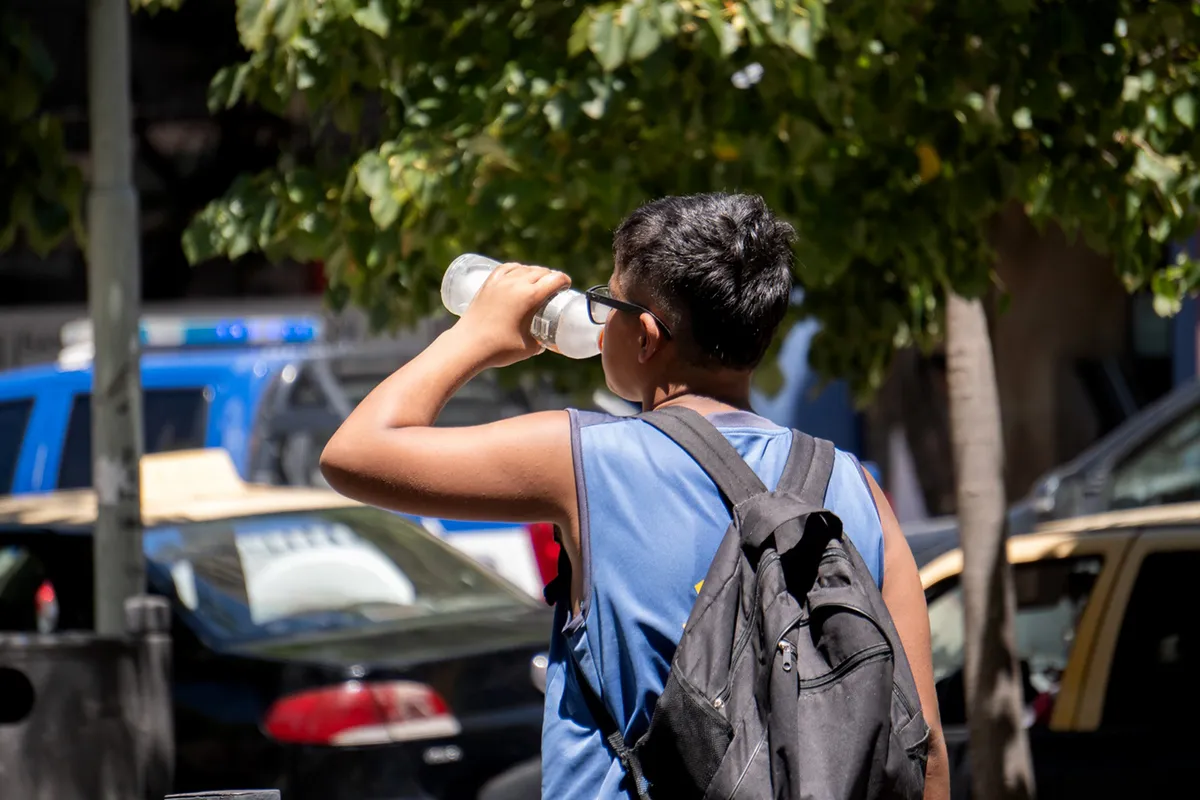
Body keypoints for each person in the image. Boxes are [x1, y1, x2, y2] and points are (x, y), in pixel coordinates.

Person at [320, 192, 950, 799]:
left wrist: (478, 334)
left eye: (609, 303)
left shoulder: (583, 460)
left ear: (645, 336)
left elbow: (355, 454)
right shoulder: (854, 487)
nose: (597, 323)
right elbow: (924, 752)